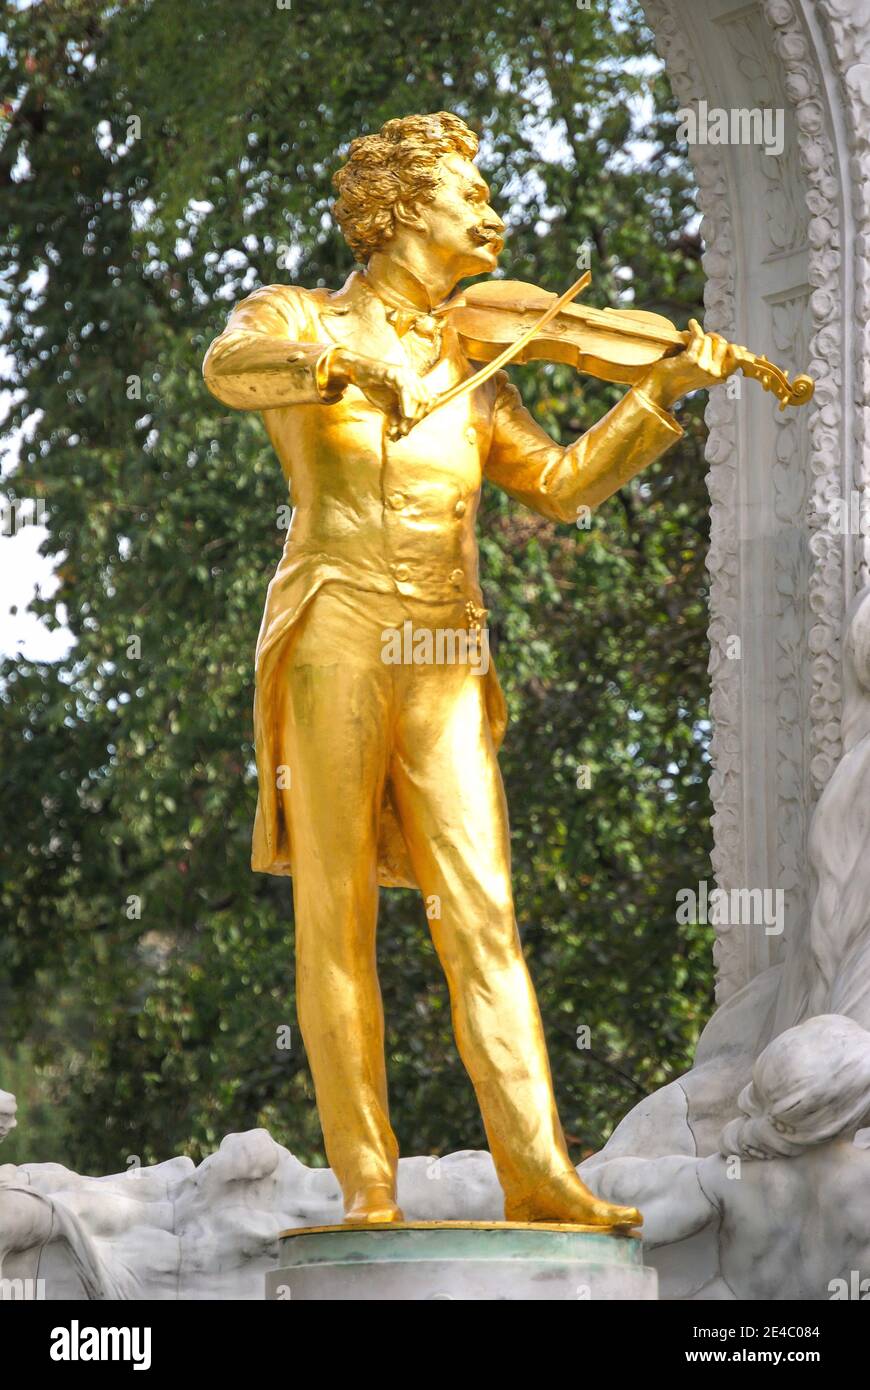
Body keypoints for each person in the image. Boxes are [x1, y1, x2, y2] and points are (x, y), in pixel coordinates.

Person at [203, 111, 734, 1226]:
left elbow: (561, 484)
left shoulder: (480, 360)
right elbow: (228, 366)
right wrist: (338, 362)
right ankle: (366, 1186)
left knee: (481, 908)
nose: (493, 215)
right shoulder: (297, 314)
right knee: (336, 914)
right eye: (469, 196)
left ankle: (540, 1175)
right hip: (333, 625)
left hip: (446, 643)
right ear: (401, 209)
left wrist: (659, 395)